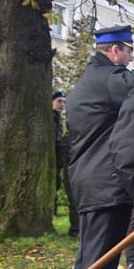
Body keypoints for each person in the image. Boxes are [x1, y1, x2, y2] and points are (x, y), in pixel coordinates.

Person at [67, 24, 134, 269]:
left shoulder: (91, 78)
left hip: (94, 178)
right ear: (114, 50)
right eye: (128, 50)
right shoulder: (110, 78)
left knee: (92, 258)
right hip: (104, 181)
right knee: (98, 261)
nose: (131, 57)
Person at [52, 90, 80, 237]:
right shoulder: (51, 120)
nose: (62, 105)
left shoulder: (66, 120)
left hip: (69, 162)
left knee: (73, 196)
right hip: (56, 163)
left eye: (64, 102)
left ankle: (75, 229)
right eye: (59, 101)